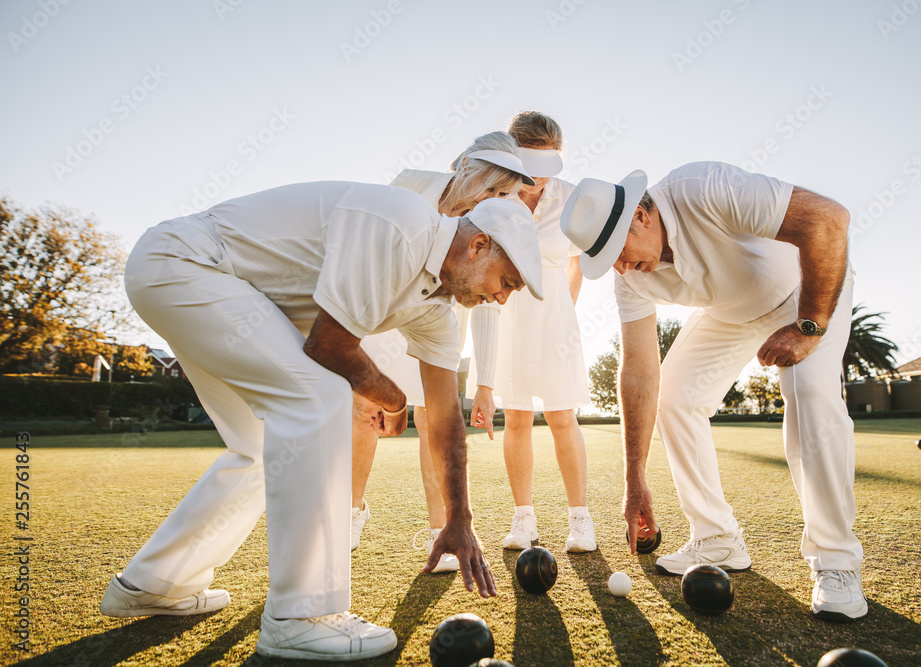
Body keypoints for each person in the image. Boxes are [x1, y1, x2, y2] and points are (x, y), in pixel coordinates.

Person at [98, 183, 544, 662]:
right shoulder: (402, 223)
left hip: (204, 283)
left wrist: (459, 517)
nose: (501, 299)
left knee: (262, 444)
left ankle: (154, 583)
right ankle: (300, 617)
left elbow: (445, 417)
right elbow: (327, 347)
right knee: (317, 397)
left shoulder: (437, 307)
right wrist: (390, 397)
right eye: (508, 282)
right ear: (478, 246)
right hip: (185, 265)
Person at [560, 161, 867, 622]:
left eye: (619, 251)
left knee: (809, 395)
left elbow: (829, 219)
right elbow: (641, 373)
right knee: (676, 397)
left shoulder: (703, 188)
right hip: (730, 310)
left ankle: (837, 561)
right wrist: (635, 480)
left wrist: (809, 326)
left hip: (804, 292)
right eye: (607, 262)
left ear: (641, 216)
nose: (621, 269)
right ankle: (717, 538)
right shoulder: (632, 277)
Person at [350, 131, 535, 572]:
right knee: (361, 409)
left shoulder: (493, 226)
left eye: (504, 193)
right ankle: (349, 513)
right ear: (464, 169)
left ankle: (442, 530)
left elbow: (490, 306)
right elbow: (366, 253)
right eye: (490, 188)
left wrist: (485, 383)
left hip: (440, 317)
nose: (491, 201)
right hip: (382, 307)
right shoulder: (407, 185)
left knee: (433, 415)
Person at [492, 111, 596, 553]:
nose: (538, 176)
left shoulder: (573, 200)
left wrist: (563, 310)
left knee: (561, 416)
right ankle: (524, 519)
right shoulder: (496, 196)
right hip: (506, 317)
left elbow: (577, 264)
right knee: (515, 417)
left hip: (556, 322)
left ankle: (580, 520)